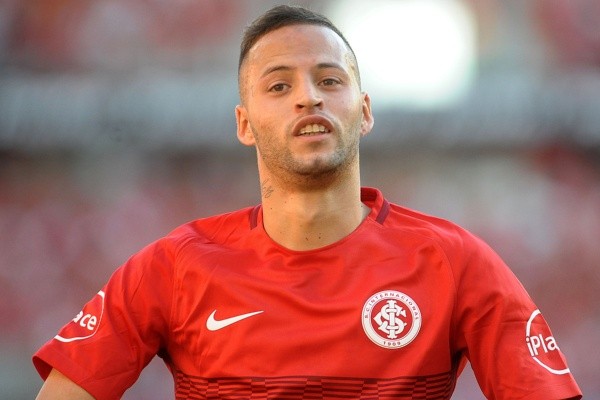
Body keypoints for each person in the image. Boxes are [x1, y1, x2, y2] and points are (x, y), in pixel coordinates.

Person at [33, 5, 582, 400]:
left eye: (329, 79)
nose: (308, 96)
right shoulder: (173, 266)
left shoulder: (456, 263)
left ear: (364, 111)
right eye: (279, 86)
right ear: (244, 124)